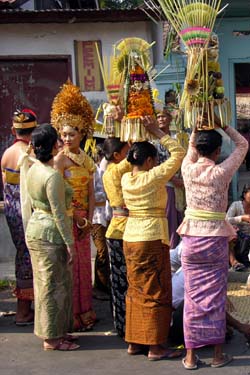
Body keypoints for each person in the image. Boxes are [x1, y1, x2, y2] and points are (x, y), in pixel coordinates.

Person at [177, 121, 248, 369]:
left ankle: (190, 356)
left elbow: (190, 148)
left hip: (191, 241)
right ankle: (217, 355)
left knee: (192, 297)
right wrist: (223, 125)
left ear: (197, 148)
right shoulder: (221, 172)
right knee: (216, 297)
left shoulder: (187, 168)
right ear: (218, 152)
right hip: (216, 240)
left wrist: (195, 129)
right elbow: (243, 144)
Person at [121, 117, 185, 360]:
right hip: (151, 238)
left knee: (136, 289)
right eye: (154, 160)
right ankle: (156, 346)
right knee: (156, 291)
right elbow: (178, 152)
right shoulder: (154, 176)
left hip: (131, 238)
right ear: (149, 161)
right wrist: (157, 131)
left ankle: (135, 342)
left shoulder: (126, 178)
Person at [24, 124, 78, 351]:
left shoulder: (33, 168)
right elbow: (58, 213)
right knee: (51, 287)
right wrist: (70, 243)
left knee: (50, 284)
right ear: (52, 145)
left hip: (37, 228)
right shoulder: (51, 176)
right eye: (57, 140)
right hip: (50, 234)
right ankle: (52, 339)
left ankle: (58, 332)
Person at [52, 82, 97, 332]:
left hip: (82, 220)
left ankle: (85, 312)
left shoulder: (87, 159)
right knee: (69, 267)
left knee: (83, 265)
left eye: (72, 134)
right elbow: (57, 194)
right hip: (68, 218)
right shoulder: (59, 161)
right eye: (64, 134)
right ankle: (71, 316)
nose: (67, 139)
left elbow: (91, 192)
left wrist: (89, 218)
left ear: (81, 134)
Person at [168, 241, 250, 347]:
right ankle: (215, 352)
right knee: (221, 331)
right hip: (178, 321)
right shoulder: (208, 273)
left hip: (174, 317)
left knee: (221, 323)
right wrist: (240, 326)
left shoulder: (194, 264)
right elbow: (212, 306)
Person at [1, 109, 36, 325]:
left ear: (14, 130)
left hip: (12, 213)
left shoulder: (7, 153)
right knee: (29, 258)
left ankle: (24, 309)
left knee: (22, 256)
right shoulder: (29, 156)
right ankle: (24, 311)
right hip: (27, 213)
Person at [102, 137, 131, 339]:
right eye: (126, 151)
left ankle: (122, 324)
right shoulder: (117, 171)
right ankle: (127, 325)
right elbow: (136, 156)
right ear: (116, 155)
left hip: (116, 228)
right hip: (123, 229)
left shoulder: (108, 170)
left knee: (119, 281)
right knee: (125, 282)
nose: (129, 155)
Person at [155, 108, 184, 249]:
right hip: (166, 183)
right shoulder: (154, 141)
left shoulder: (176, 139)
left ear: (170, 119)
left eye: (163, 116)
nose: (161, 119)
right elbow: (157, 163)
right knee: (169, 218)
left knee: (179, 216)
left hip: (179, 181)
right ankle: (170, 249)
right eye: (158, 117)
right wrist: (173, 179)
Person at [91, 147, 111, 299]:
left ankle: (104, 283)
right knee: (102, 251)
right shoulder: (94, 172)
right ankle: (100, 286)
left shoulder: (108, 171)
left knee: (106, 252)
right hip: (96, 217)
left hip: (108, 215)